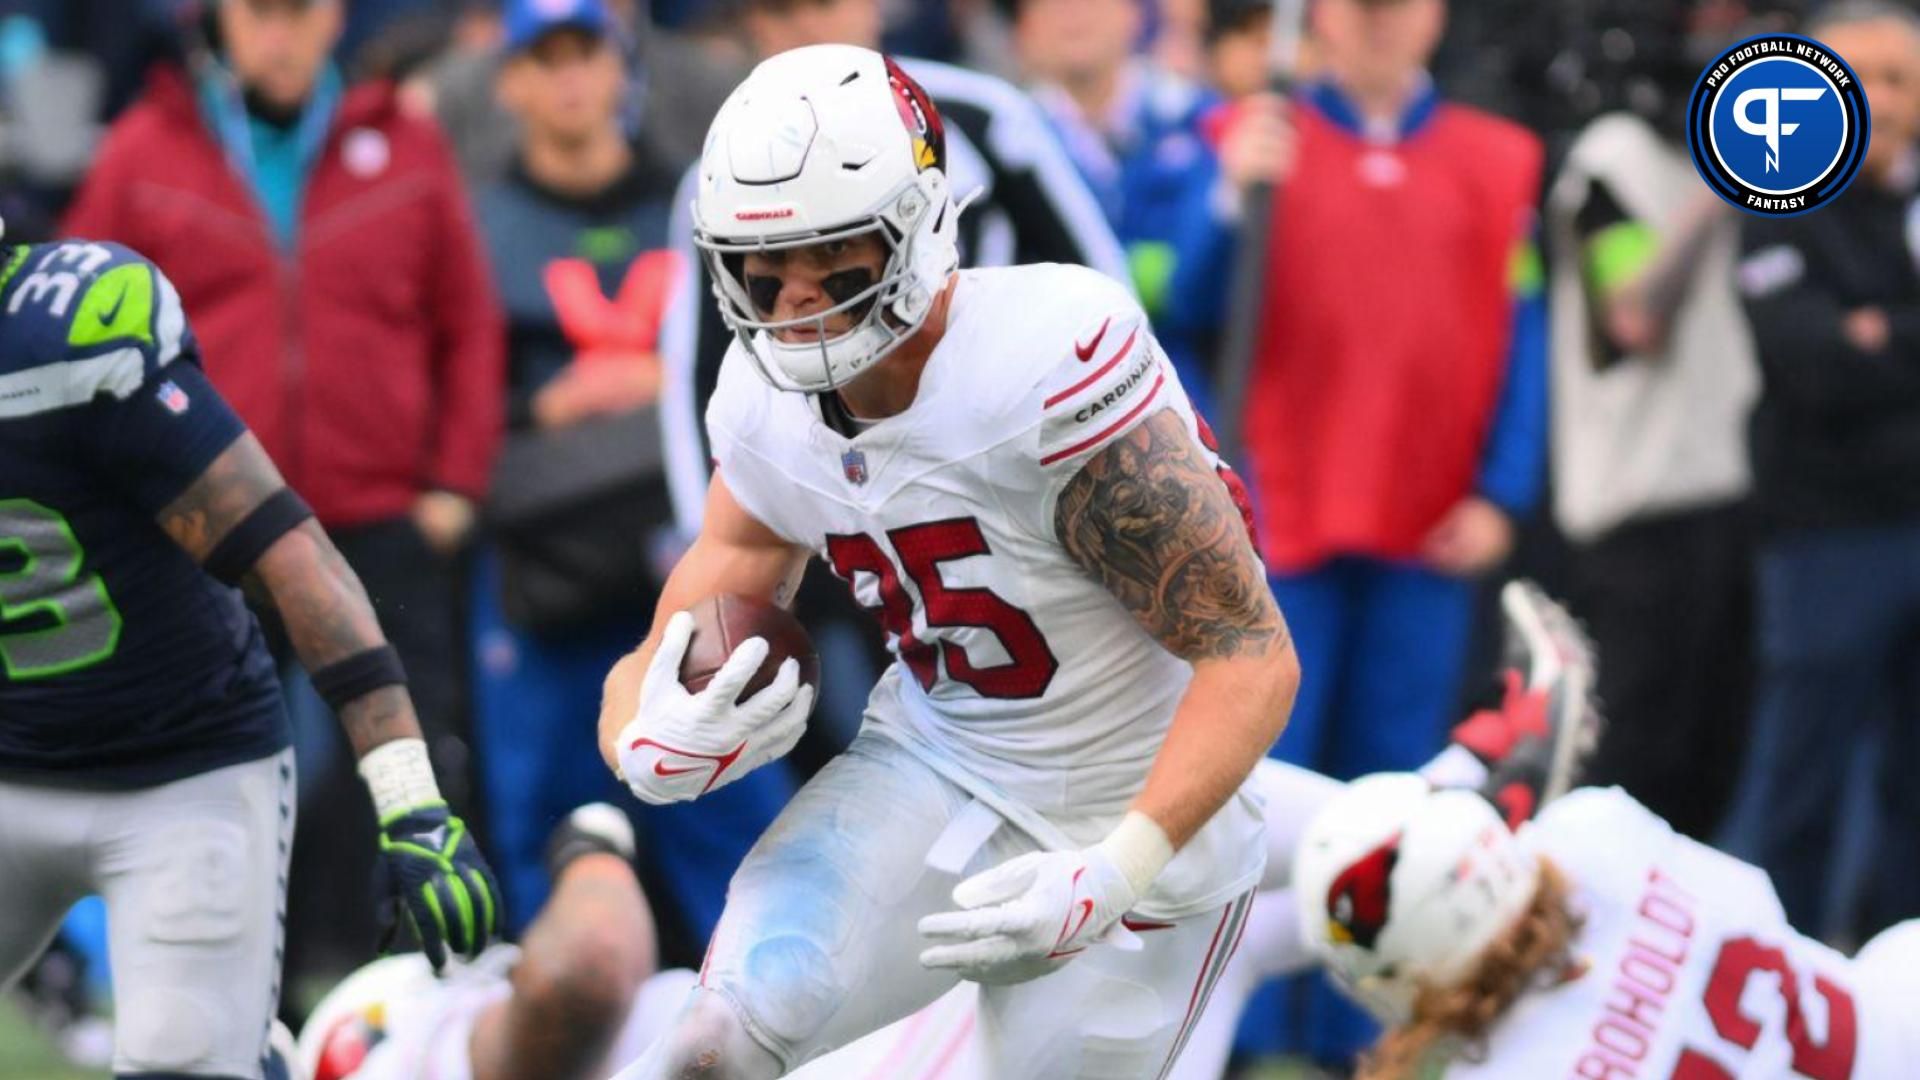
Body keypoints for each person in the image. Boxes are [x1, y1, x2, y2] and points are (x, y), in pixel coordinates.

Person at [600, 43, 1298, 1079]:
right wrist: (644, 741)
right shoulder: (761, 403)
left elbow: (1252, 658)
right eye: (763, 262)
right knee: (706, 1046)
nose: (792, 301)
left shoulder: (1044, 364)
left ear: (919, 227)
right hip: (939, 765)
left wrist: (1117, 868)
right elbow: (675, 631)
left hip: (1136, 805)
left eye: (830, 253)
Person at [296, 579, 1597, 1080]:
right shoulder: (385, 1046)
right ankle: (1462, 812)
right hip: (874, 1048)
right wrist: (592, 838)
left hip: (888, 1022)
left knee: (1182, 892)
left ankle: (1458, 814)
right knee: (1131, 878)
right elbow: (581, 977)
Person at [61, 0, 506, 990]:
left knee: (414, 762)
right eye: (261, 11)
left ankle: (423, 1005)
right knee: (220, 776)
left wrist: (452, 484)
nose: (280, 33)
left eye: (299, 11)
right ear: (221, 18)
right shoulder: (144, 147)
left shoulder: (403, 143)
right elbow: (68, 337)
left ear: (333, 18)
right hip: (206, 532)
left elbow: (468, 323)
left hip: (381, 516)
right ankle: (244, 1001)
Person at [0, 237, 500, 1078]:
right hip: (9, 767)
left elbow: (293, 556)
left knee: (180, 1062)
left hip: (180, 771)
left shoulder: (68, 339)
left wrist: (410, 798)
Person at [1182, 0, 1547, 1063]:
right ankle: (1240, 1036)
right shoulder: (1248, 133)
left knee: (1395, 791)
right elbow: (1176, 309)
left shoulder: (1500, 158)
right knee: (1262, 795)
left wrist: (1504, 492)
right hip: (1280, 521)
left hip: (1428, 527)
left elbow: (1524, 336)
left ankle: (1362, 1034)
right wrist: (1222, 200)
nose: (1381, 23)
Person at [468, 0, 794, 956]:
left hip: (690, 537)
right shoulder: (478, 218)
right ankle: (556, 1023)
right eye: (547, 57)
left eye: (587, 54)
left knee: (733, 797)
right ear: (511, 80)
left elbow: (773, 341)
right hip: (541, 558)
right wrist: (538, 410)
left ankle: (764, 1013)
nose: (572, 79)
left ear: (622, 67)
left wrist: (662, 374)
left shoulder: (703, 200)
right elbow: (445, 382)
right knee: (542, 814)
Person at [657, 0, 1131, 536]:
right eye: (782, 9)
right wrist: (709, 535)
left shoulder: (978, 116)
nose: (808, 24)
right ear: (752, 24)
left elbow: (1098, 284)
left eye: (824, 4)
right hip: (827, 472)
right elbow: (699, 371)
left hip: (1000, 443)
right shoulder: (723, 171)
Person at [1720, 0, 1920, 942]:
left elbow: (1853, 356)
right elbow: (1809, 362)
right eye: (1859, 80)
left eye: (1899, 80)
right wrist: (1864, 348)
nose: (1879, 100)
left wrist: (1878, 336)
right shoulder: (1779, 202)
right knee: (1800, 774)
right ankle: (1771, 975)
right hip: (1825, 536)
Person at [1543, 0, 1760, 844]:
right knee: (1635, 768)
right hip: (1637, 518)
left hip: (1729, 496)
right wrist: (1721, 185)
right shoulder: (1610, 159)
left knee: (1716, 759)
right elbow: (1634, 316)